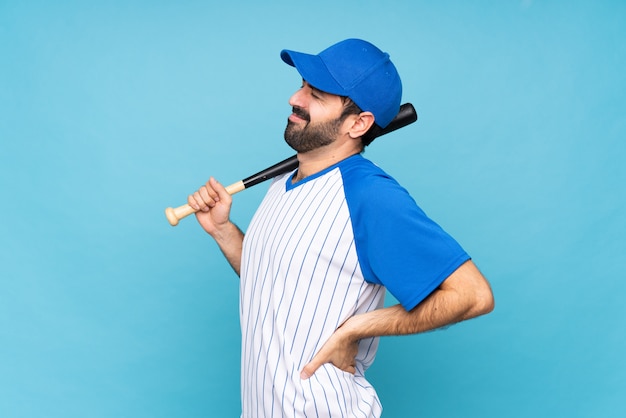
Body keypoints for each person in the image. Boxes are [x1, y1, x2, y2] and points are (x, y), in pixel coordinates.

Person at [187, 38, 494, 418]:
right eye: (302, 85)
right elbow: (272, 282)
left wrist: (356, 328)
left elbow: (473, 294)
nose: (295, 98)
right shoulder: (281, 183)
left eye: (315, 94)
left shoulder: (369, 195)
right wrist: (223, 230)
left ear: (359, 123)